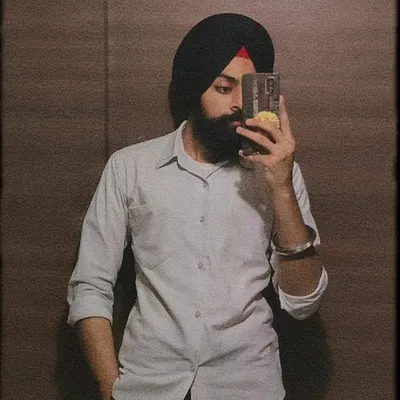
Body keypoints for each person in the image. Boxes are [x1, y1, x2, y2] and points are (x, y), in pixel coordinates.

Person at [66, 13, 328, 400]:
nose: (238, 103)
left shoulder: (279, 174)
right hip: (148, 386)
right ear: (194, 86)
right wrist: (109, 387)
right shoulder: (131, 167)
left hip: (248, 386)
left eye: (248, 90)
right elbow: (90, 285)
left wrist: (282, 188)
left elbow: (304, 302)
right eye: (223, 88)